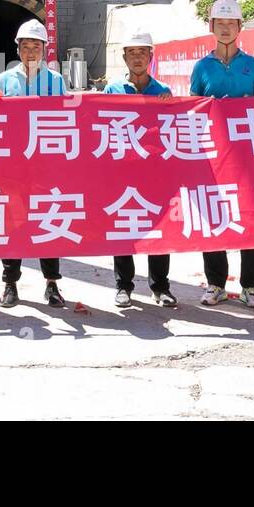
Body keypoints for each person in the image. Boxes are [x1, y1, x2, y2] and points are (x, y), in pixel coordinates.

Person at [189, 0, 254, 307]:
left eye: (230, 23)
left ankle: (250, 287)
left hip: (246, 155)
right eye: (219, 24)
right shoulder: (202, 67)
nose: (224, 29)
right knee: (216, 217)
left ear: (239, 27)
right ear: (211, 27)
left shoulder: (252, 65)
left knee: (251, 219)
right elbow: (194, 106)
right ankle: (216, 284)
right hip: (214, 157)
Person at [0, 19, 68, 308]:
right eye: (25, 46)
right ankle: (10, 283)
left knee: (48, 220)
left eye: (35, 46)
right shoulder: (4, 80)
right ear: (18, 48)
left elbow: (65, 120)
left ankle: (51, 284)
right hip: (13, 166)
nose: (30, 51)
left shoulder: (56, 81)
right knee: (14, 223)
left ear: (44, 49)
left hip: (45, 164)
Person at [103, 30, 177, 308]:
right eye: (131, 53)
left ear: (150, 57)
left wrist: (169, 108)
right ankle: (124, 287)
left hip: (154, 173)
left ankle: (160, 287)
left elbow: (171, 132)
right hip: (122, 172)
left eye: (142, 52)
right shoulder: (112, 91)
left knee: (158, 230)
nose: (137, 58)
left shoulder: (162, 92)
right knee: (125, 229)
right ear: (124, 57)